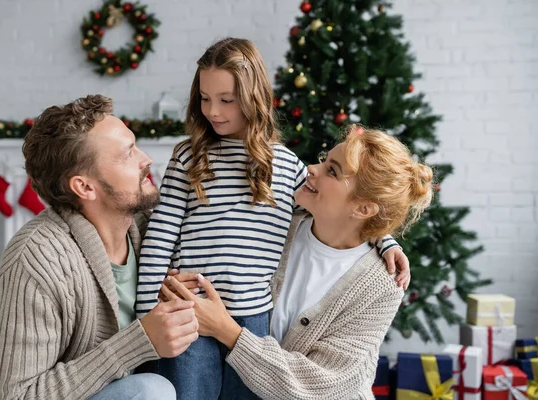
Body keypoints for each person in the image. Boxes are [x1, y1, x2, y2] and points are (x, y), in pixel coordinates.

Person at [135, 38, 409, 400]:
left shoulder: (286, 167)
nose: (213, 111)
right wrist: (146, 314)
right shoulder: (189, 157)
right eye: (204, 98)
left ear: (253, 99)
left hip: (253, 320)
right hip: (191, 306)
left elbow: (353, 215)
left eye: (226, 100)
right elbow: (161, 232)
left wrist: (384, 240)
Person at [162, 124, 433, 399]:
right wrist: (173, 279)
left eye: (332, 171)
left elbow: (319, 385)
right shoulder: (275, 224)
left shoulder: (382, 285)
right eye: (324, 160)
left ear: (363, 208)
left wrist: (227, 331)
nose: (311, 169)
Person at [0, 95, 199, 400]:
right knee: (151, 391)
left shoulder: (152, 231)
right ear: (85, 187)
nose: (146, 159)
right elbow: (13, 396)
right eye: (127, 154)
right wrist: (137, 341)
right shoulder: (35, 260)